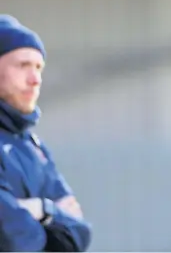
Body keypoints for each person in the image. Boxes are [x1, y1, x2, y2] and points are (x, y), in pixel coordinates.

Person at [0, 15, 92, 251]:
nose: (35, 79)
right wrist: (51, 221)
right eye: (22, 65)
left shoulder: (34, 148)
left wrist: (42, 209)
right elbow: (13, 237)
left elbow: (79, 234)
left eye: (39, 67)